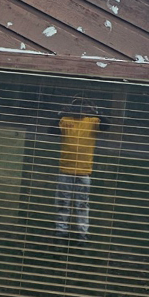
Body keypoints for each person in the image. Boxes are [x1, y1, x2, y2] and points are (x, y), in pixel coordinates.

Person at [55, 97, 107, 239]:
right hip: (66, 169)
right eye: (77, 107)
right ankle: (61, 231)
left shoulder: (92, 122)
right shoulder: (66, 121)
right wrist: (60, 113)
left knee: (82, 204)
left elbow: (106, 125)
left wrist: (96, 112)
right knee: (63, 203)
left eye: (84, 107)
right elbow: (52, 130)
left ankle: (82, 233)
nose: (80, 110)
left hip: (84, 171)